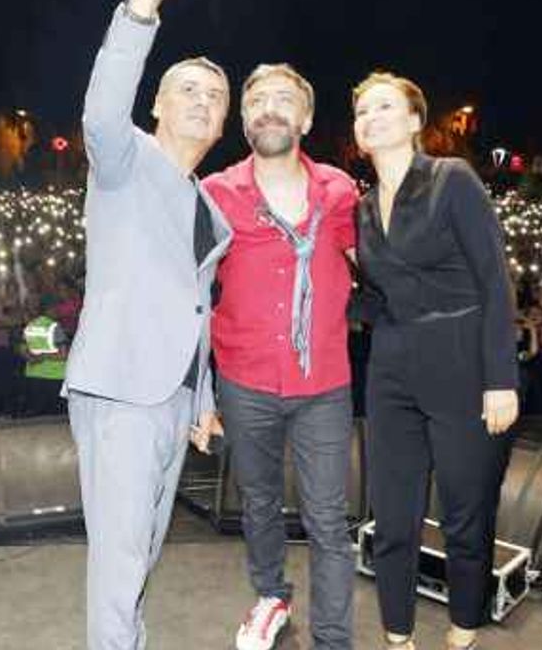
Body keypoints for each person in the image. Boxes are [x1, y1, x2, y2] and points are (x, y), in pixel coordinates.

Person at [61, 0, 232, 648]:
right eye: (187, 90)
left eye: (215, 97)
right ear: (156, 104)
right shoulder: (123, 158)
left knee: (143, 555)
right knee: (121, 561)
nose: (203, 101)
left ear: (223, 124)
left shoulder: (210, 209)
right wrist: (143, 4)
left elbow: (195, 310)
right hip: (122, 389)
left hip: (172, 401)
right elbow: (101, 110)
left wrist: (202, 399)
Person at [351, 72, 519, 650]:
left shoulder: (452, 179)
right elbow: (378, 296)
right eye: (362, 111)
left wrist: (501, 377)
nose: (370, 118)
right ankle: (398, 636)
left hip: (462, 360)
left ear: (415, 121)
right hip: (390, 365)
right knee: (392, 514)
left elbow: (494, 279)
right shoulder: (363, 208)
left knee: (465, 514)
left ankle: (463, 630)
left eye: (384, 106)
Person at [202, 63, 358, 650]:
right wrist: (197, 394)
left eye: (284, 99)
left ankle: (334, 640)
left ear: (307, 118)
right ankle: (271, 597)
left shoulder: (339, 191)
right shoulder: (216, 193)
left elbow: (378, 266)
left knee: (328, 520)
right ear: (244, 119)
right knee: (259, 503)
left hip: (325, 384)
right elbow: (191, 291)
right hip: (244, 380)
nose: (270, 109)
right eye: (258, 100)